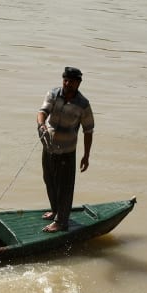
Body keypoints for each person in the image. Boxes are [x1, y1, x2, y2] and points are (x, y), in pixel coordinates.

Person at [37, 66, 94, 232]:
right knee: (49, 180)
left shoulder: (83, 105)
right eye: (65, 80)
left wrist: (86, 156)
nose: (67, 83)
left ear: (78, 83)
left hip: (67, 152)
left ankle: (62, 222)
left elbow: (88, 130)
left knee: (65, 187)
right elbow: (42, 112)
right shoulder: (53, 94)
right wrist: (41, 125)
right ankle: (56, 211)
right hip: (48, 147)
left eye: (71, 81)